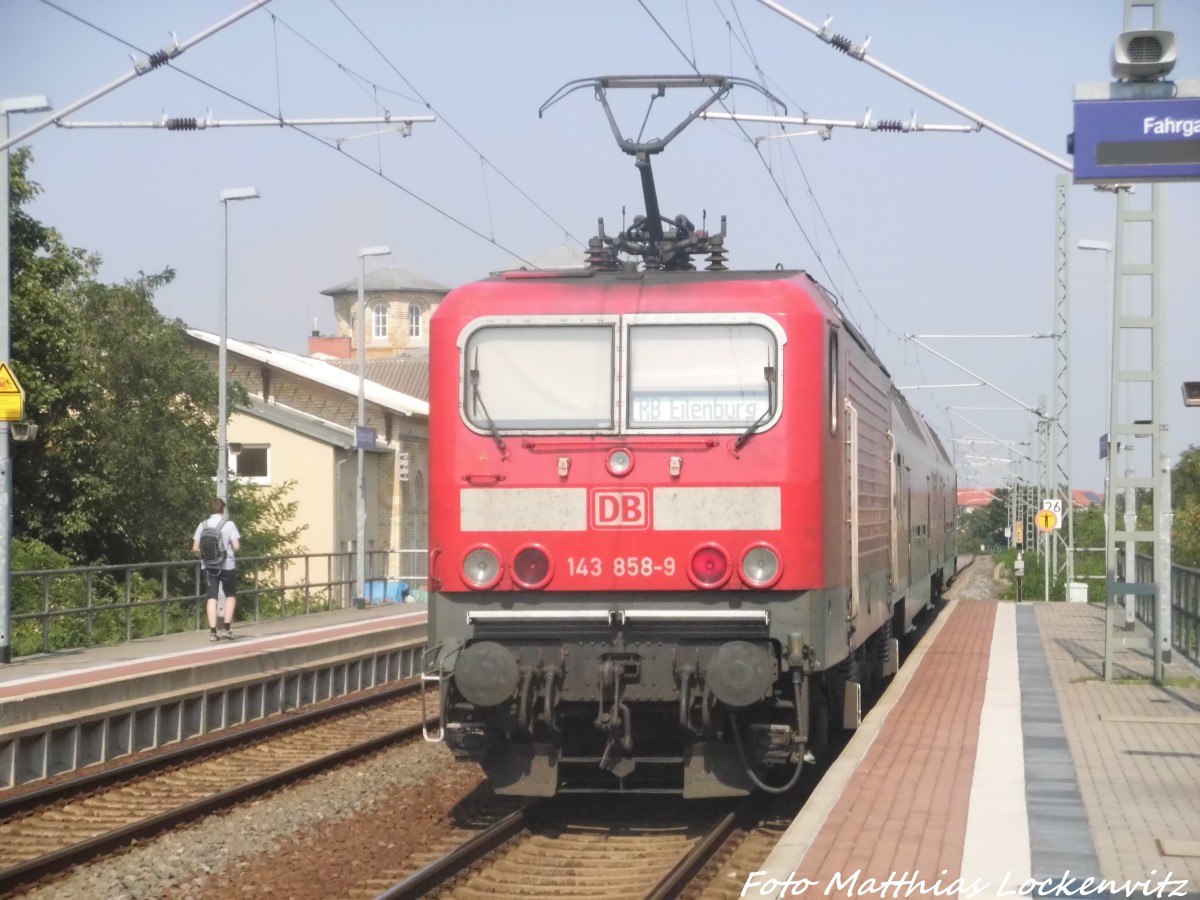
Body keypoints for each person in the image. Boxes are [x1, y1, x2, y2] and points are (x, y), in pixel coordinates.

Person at [192, 498, 241, 641]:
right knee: (230, 595)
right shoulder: (229, 524)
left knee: (211, 597)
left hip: (208, 566)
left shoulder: (203, 525)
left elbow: (195, 548)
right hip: (227, 565)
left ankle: (213, 632)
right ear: (223, 509)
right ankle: (226, 629)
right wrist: (228, 551)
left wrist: (207, 553)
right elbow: (236, 546)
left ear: (211, 509)